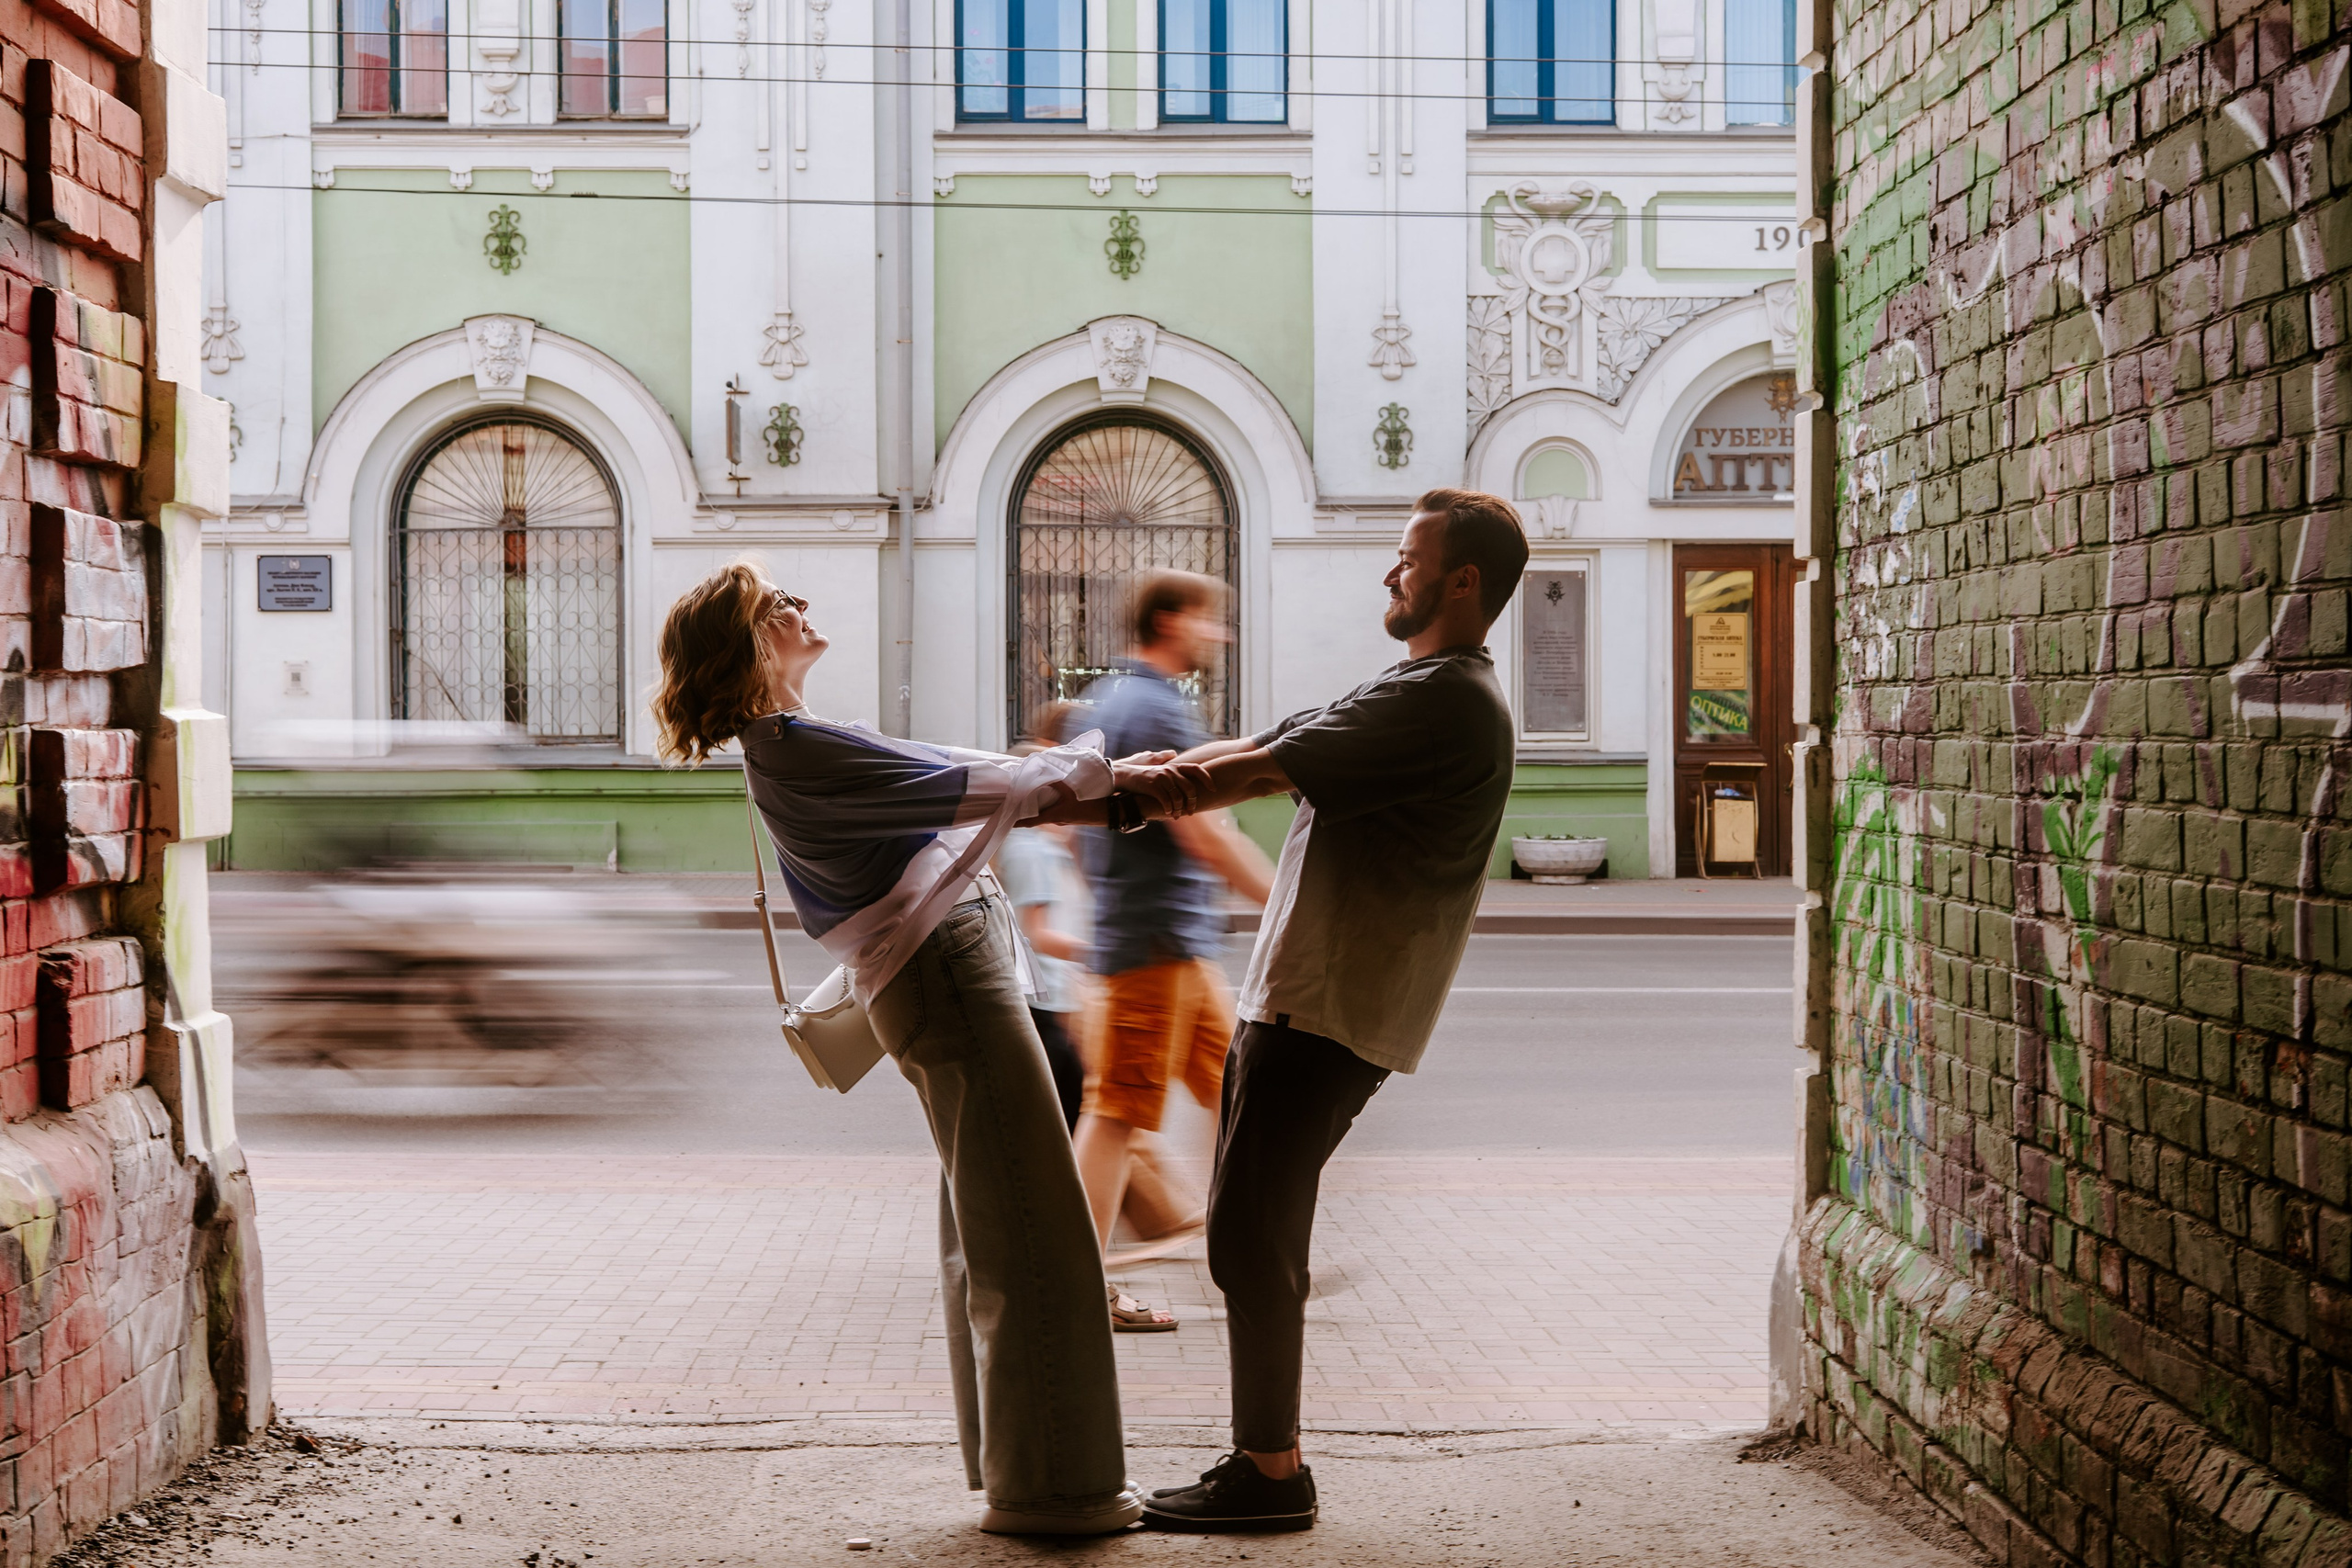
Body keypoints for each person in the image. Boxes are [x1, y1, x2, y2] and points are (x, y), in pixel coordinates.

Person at [652, 563, 1204, 1537]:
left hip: (938, 980)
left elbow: (979, 773)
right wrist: (1131, 777)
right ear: (747, 644)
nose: (801, 607)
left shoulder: (796, 742)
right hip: (947, 979)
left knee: (992, 1225)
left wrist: (1113, 774)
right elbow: (992, 784)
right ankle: (1057, 1492)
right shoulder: (799, 747)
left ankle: (1023, 1471)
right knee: (1034, 1230)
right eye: (778, 603)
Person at [1038, 490, 1529, 1532]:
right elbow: (1277, 738)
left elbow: (1255, 770)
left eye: (1408, 558)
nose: (1390, 573)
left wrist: (1085, 799)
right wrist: (1125, 779)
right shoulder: (1425, 686)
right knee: (1254, 1229)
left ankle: (1271, 1474)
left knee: (1253, 1236)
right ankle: (1267, 1462)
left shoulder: (1445, 699)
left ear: (1463, 581)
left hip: (1327, 1004)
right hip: (1314, 997)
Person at [1070, 572, 1276, 1330]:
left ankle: (1254, 1258)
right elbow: (1204, 832)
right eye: (1207, 620)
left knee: (1236, 1095)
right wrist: (1282, 901)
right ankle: (1075, 1284)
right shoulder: (1155, 706)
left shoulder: (1105, 700)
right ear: (1168, 621)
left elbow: (1075, 829)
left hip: (1166, 941)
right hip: (1154, 945)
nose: (1219, 634)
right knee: (1116, 1113)